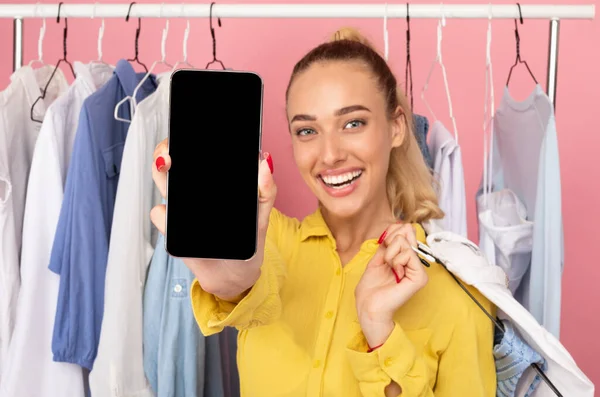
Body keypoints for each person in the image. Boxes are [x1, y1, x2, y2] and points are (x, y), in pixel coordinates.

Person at [150, 28, 496, 396]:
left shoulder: (460, 296)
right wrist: (233, 283)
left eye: (352, 123)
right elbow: (248, 286)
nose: (329, 154)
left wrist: (380, 332)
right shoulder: (267, 240)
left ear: (396, 127)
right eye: (306, 130)